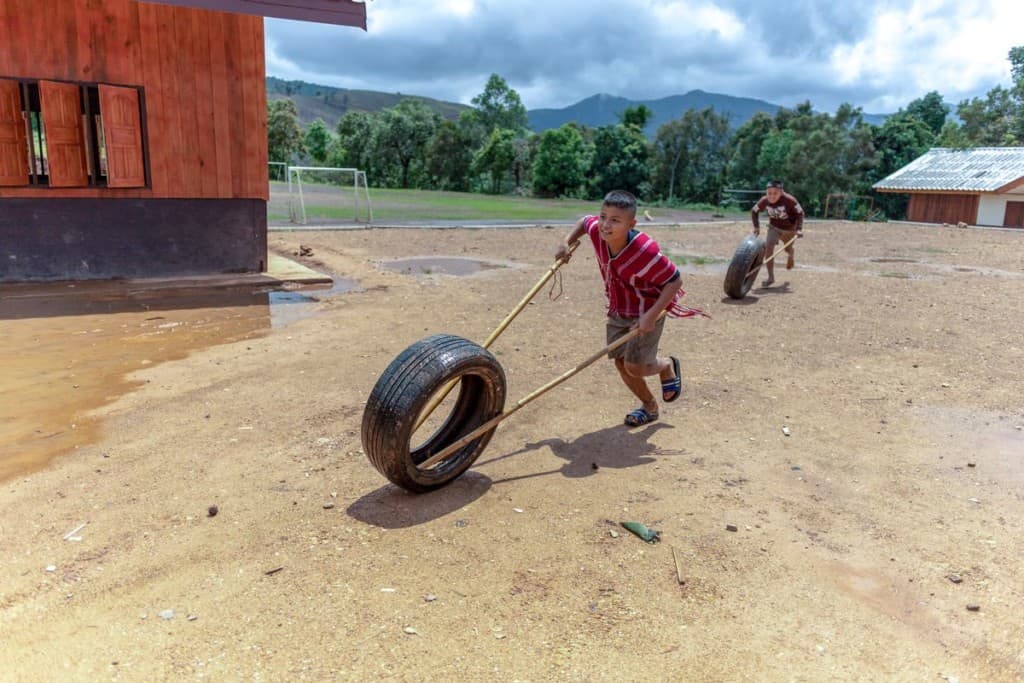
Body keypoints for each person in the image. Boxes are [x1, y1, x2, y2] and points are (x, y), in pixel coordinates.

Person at [556, 190, 703, 428]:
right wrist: (566, 242)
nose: (605, 224)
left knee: (635, 367)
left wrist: (650, 316)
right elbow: (585, 222)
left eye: (615, 220)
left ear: (631, 224)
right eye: (604, 216)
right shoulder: (597, 231)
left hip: (648, 308)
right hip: (618, 306)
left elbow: (675, 281)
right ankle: (649, 406)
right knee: (620, 361)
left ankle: (665, 365)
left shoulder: (645, 251)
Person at [751, 180, 804, 287]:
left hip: (789, 230)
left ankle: (791, 254)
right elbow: (754, 211)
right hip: (773, 228)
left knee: (787, 249)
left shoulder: (790, 200)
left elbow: (800, 213)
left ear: (781, 192)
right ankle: (770, 278)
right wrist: (756, 226)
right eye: (769, 193)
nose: (772, 196)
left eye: (775, 193)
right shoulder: (764, 201)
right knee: (768, 249)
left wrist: (799, 229)